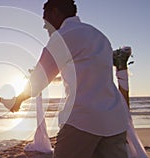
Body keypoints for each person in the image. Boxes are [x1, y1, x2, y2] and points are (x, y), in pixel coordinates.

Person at [8, 0, 129, 157]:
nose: (45, 25)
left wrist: (18, 99)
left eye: (45, 18)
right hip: (115, 121)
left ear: (56, 12)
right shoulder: (99, 36)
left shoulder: (63, 36)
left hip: (83, 120)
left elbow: (38, 79)